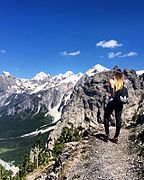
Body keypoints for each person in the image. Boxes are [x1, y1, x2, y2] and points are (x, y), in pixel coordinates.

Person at [104, 68, 124, 143]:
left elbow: (112, 88)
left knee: (106, 116)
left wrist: (111, 95)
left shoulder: (112, 80)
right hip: (120, 102)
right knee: (118, 118)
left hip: (113, 101)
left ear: (115, 74)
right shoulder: (122, 82)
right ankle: (116, 137)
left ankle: (107, 134)